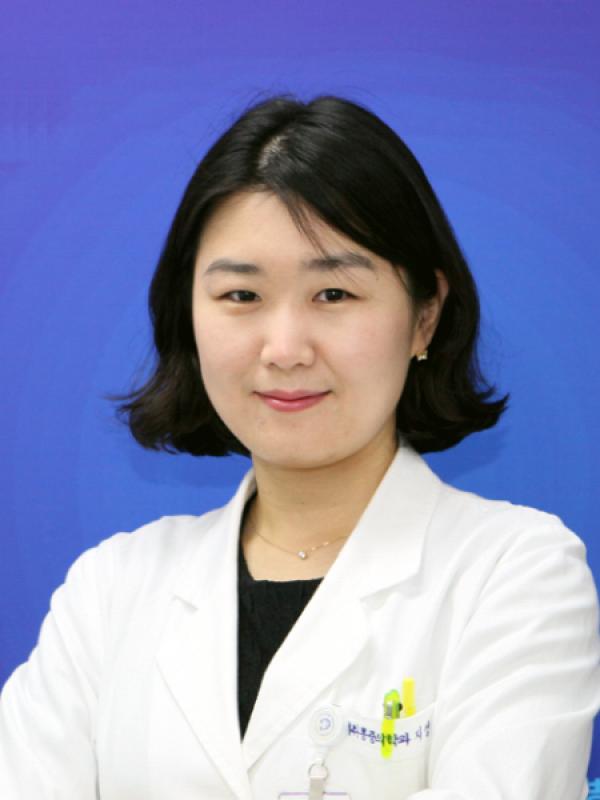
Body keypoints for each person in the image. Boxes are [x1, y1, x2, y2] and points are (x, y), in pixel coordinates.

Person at [0, 93, 598, 800]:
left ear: (424, 316)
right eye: (241, 296)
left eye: (334, 294)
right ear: (187, 315)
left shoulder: (516, 575)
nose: (284, 349)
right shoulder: (109, 592)